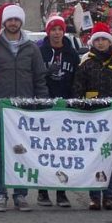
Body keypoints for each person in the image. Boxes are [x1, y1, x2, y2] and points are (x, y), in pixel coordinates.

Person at [0, 3, 48, 213]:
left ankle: (21, 194)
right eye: (10, 19)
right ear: (5, 22)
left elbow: (39, 78)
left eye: (17, 19)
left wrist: (41, 103)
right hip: (1, 109)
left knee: (22, 152)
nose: (13, 23)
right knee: (0, 153)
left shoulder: (32, 48)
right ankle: (1, 194)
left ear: (21, 22)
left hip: (25, 110)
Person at [73, 23, 112, 211]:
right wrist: (82, 110)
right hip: (91, 120)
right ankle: (94, 196)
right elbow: (77, 90)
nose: (100, 43)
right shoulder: (86, 64)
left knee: (110, 158)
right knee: (93, 158)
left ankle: (109, 195)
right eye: (97, 40)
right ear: (93, 42)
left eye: (104, 40)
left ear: (110, 42)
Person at [37, 15, 78, 208]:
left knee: (62, 151)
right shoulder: (40, 51)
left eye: (59, 29)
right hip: (45, 106)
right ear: (48, 32)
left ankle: (61, 192)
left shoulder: (71, 53)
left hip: (65, 107)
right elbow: (35, 76)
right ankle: (43, 191)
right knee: (45, 150)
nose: (56, 33)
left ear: (64, 31)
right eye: (53, 29)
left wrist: (73, 101)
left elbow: (77, 79)